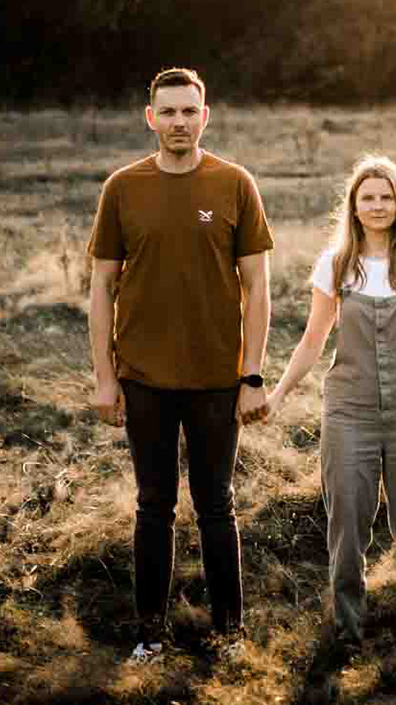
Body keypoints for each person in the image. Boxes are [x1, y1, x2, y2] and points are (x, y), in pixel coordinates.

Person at [87, 67, 274, 664]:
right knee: (153, 505)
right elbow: (100, 289)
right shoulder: (122, 188)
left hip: (218, 381)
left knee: (216, 503)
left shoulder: (234, 184)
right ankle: (150, 634)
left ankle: (229, 633)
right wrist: (104, 376)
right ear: (150, 118)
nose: (178, 123)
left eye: (188, 112)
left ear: (205, 115)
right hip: (143, 380)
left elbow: (259, 288)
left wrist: (252, 375)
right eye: (167, 112)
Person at [267, 153, 396, 654]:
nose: (376, 205)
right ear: (353, 205)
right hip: (348, 410)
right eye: (367, 197)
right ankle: (348, 627)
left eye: (385, 197)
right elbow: (312, 340)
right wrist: (279, 393)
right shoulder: (335, 266)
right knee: (346, 519)